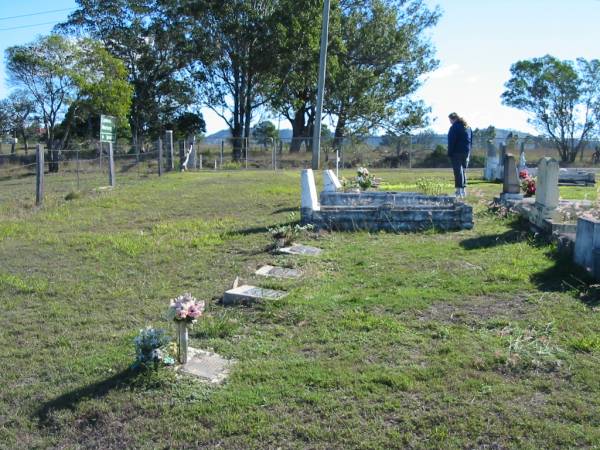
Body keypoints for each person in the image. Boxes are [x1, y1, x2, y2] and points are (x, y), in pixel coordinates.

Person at [447, 112, 472, 198]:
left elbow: (451, 141)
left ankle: (458, 191)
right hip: (466, 151)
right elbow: (471, 140)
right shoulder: (468, 127)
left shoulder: (454, 127)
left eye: (450, 120)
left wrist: (449, 152)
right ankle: (463, 191)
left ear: (453, 119)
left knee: (458, 172)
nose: (450, 122)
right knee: (463, 171)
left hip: (456, 152)